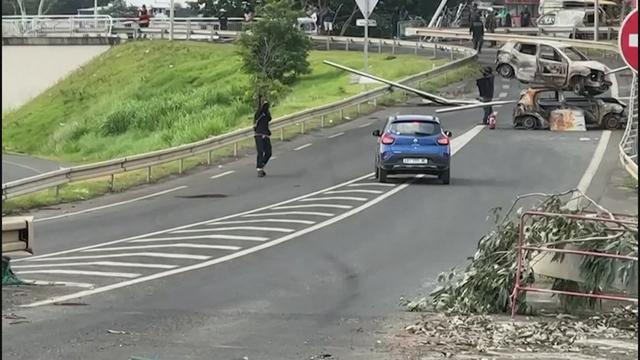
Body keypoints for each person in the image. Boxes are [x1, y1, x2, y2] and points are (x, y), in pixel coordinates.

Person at [254, 100, 272, 178]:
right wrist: (260, 101)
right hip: (259, 135)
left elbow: (269, 118)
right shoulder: (258, 114)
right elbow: (260, 110)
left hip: (266, 135)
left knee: (268, 152)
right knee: (260, 152)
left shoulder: (267, 114)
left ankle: (261, 166)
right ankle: (259, 169)